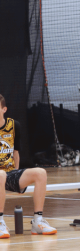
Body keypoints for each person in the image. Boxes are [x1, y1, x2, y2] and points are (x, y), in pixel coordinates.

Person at [0, 94, 56, 238]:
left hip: (8, 173)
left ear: (4, 109)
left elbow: (16, 153)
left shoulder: (14, 126)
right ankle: (0, 221)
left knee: (40, 172)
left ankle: (37, 222)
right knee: (0, 174)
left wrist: (16, 178)